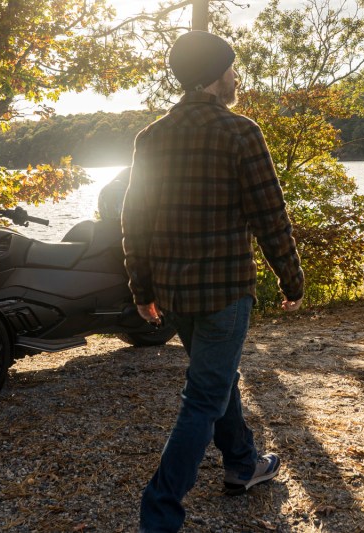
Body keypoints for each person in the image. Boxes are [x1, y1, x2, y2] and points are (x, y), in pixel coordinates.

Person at [121, 31, 305, 533]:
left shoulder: (151, 137)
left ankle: (242, 464)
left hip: (176, 295)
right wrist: (291, 280)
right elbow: (270, 215)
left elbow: (133, 218)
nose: (236, 75)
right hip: (225, 293)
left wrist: (143, 290)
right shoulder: (239, 132)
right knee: (203, 396)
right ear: (214, 75)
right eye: (231, 67)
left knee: (215, 377)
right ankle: (159, 514)